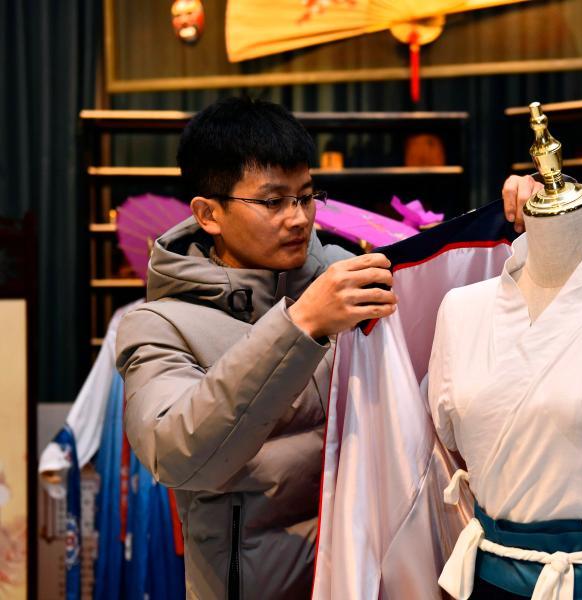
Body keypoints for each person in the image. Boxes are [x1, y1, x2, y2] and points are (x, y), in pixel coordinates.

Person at [116, 96, 540, 599]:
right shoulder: (157, 325)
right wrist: (300, 325)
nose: (298, 218)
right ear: (209, 214)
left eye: (306, 196)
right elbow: (178, 454)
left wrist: (529, 222)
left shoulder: (349, 274)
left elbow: (456, 318)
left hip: (371, 577)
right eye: (272, 202)